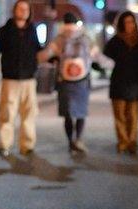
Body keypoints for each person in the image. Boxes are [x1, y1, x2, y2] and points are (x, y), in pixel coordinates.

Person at [38, 12, 99, 154]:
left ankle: (71, 142)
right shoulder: (85, 38)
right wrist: (109, 64)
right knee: (80, 113)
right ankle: (78, 139)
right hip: (82, 81)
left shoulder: (59, 39)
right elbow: (96, 56)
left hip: (64, 81)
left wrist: (39, 59)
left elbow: (46, 55)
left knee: (67, 114)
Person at [0, 0, 42, 157]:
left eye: (26, 9)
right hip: (10, 79)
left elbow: (38, 51)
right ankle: (4, 145)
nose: (24, 11)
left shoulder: (32, 30)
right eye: (20, 8)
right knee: (7, 113)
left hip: (29, 79)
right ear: (14, 10)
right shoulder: (6, 30)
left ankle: (27, 145)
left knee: (29, 114)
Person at [103, 11, 138, 155]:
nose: (129, 25)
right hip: (118, 81)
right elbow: (104, 59)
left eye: (131, 22)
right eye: (126, 22)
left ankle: (132, 142)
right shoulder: (114, 42)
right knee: (119, 115)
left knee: (133, 115)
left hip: (135, 82)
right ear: (121, 24)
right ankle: (123, 141)